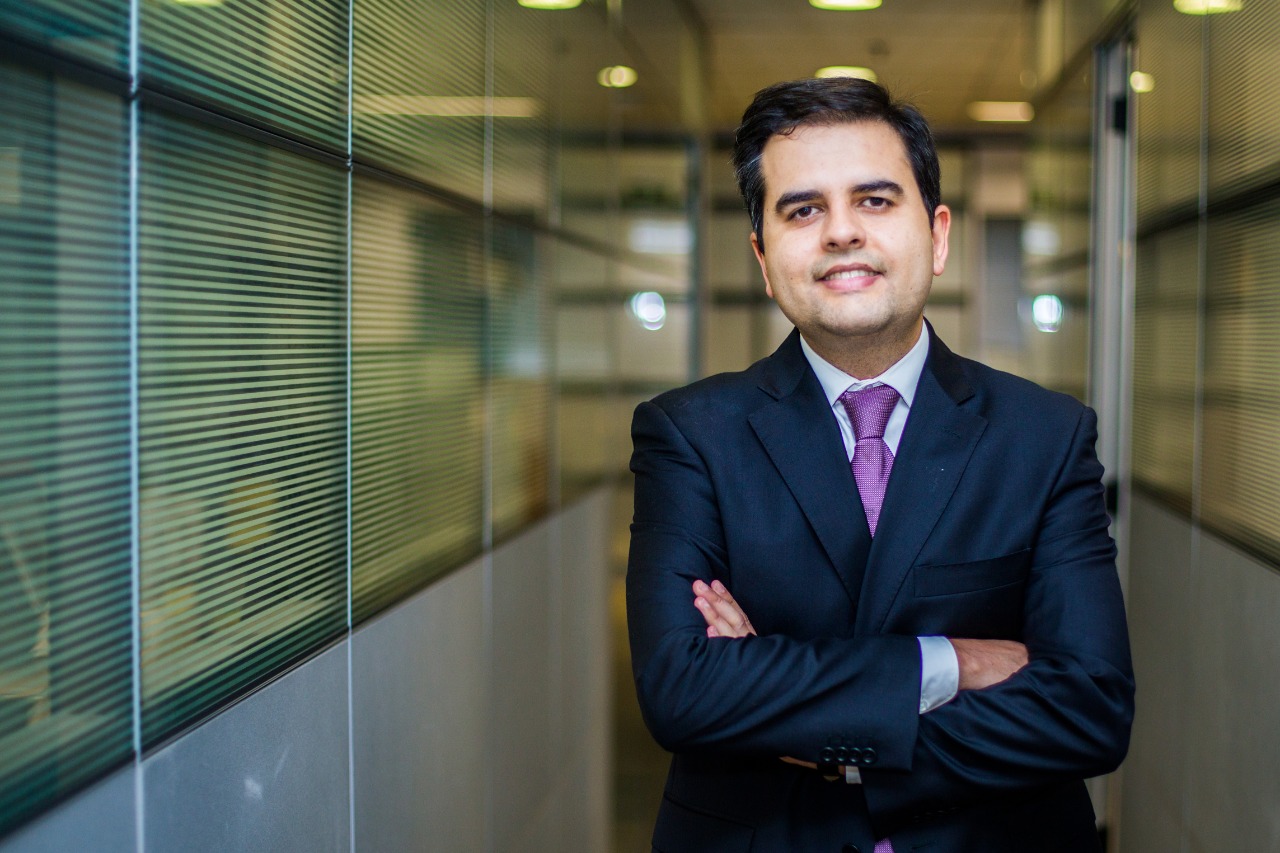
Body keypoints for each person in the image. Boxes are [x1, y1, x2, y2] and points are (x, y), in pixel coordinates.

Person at [625, 77, 1134, 853]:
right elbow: (683, 690)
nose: (839, 233)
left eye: (874, 200)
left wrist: (796, 708)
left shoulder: (1046, 434)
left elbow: (1089, 707)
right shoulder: (690, 433)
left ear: (936, 235)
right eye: (802, 209)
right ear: (764, 258)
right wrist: (950, 662)